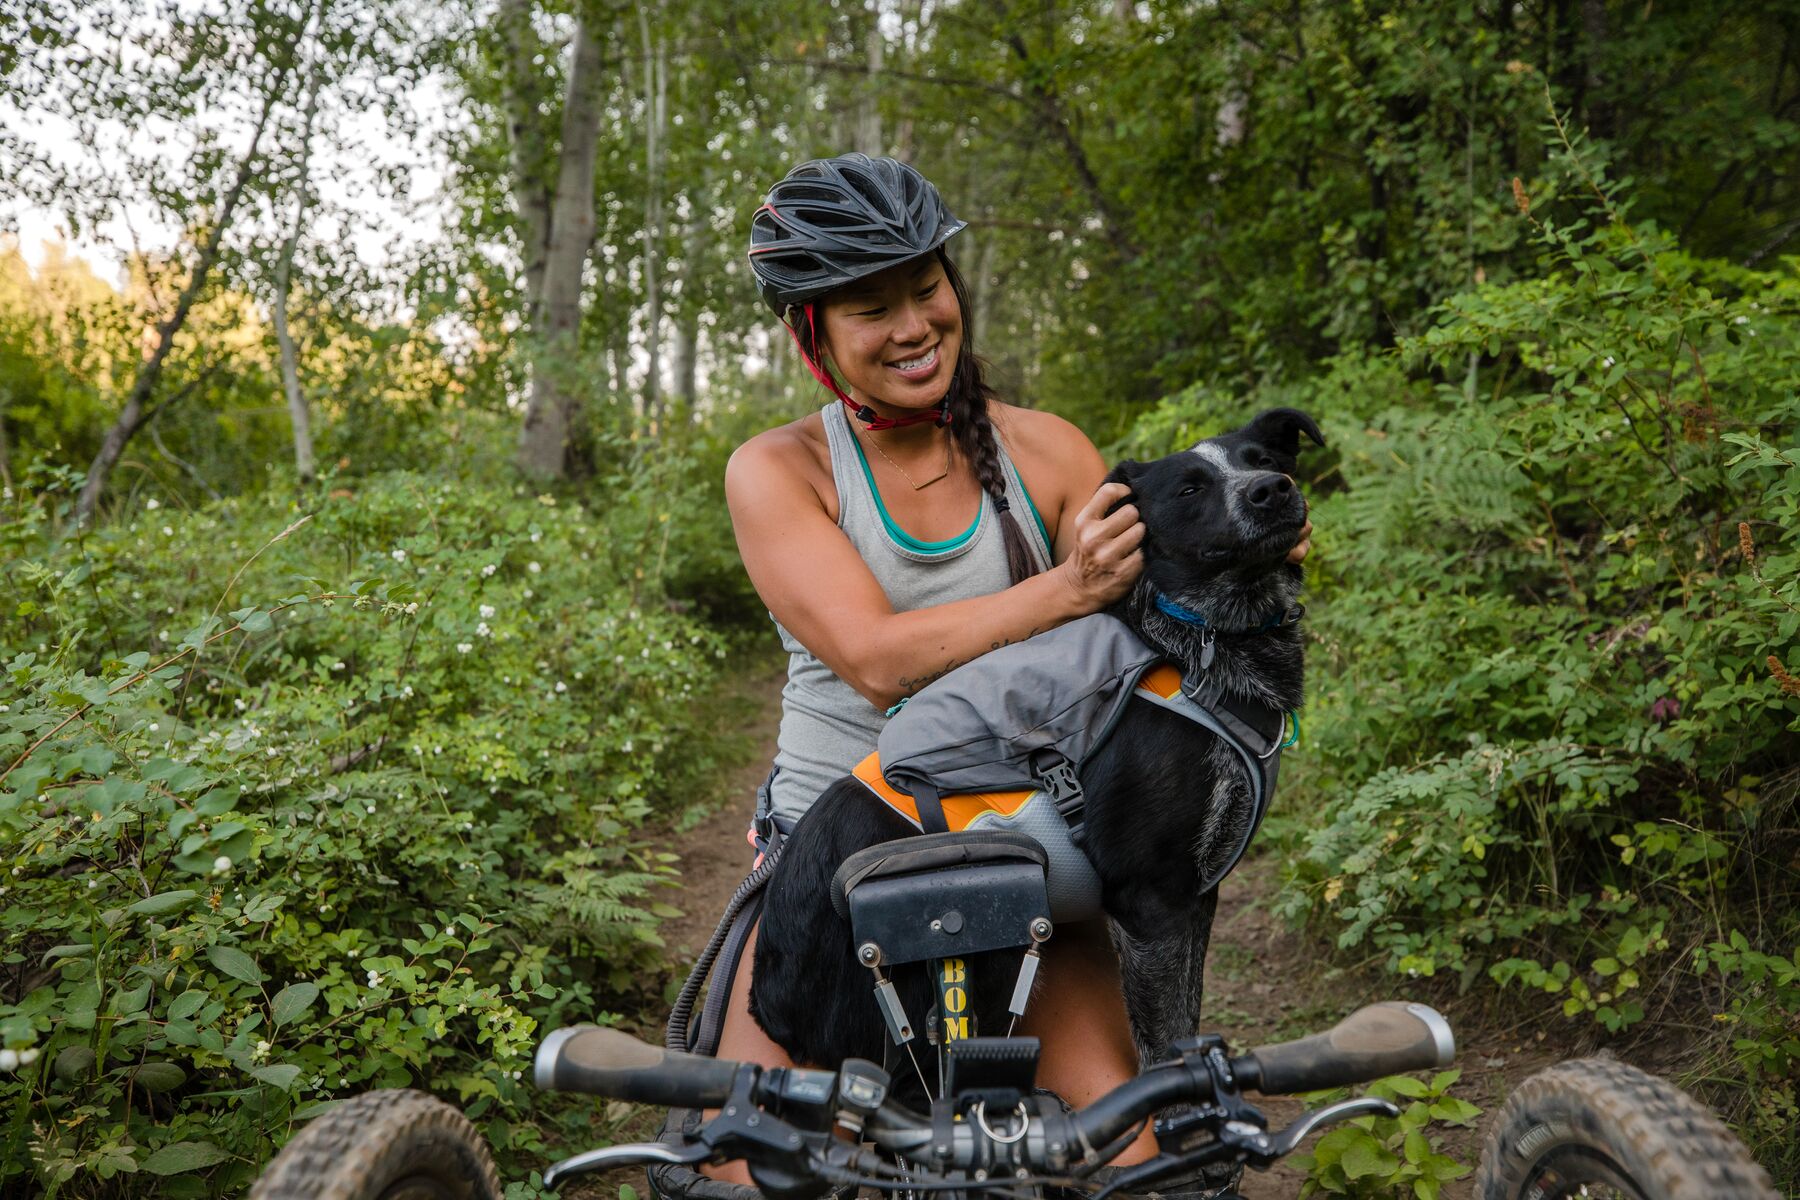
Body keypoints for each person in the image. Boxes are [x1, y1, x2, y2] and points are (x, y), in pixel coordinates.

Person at [704, 153, 1310, 1188]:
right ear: (814, 335)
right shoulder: (779, 470)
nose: (912, 326)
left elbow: (1154, 593)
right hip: (837, 837)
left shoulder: (1048, 451)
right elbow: (876, 662)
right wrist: (1063, 591)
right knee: (749, 1174)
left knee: (1145, 1156)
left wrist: (1259, 541)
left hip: (1026, 846)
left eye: (926, 289)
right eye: (869, 308)